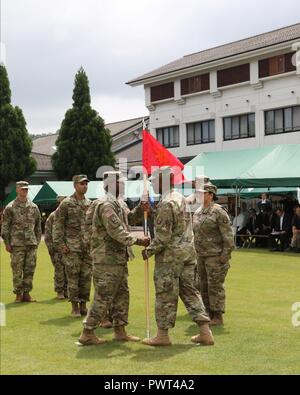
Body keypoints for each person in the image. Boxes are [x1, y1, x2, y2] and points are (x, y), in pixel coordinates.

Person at [141, 166, 214, 347]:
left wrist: (149, 250)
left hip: (170, 258)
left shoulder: (167, 202)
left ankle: (162, 336)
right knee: (191, 292)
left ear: (162, 181)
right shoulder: (180, 198)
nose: (151, 185)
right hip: (187, 254)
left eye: (154, 181)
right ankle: (205, 332)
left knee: (165, 295)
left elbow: (163, 236)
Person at [78, 171, 150, 346]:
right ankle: (87, 332)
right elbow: (115, 230)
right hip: (106, 259)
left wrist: (141, 209)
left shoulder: (119, 203)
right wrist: (138, 240)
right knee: (103, 295)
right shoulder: (106, 204)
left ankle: (120, 331)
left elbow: (129, 219)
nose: (124, 185)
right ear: (112, 184)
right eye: (121, 183)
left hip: (118, 257)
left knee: (122, 295)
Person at [193, 182, 235, 326]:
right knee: (202, 285)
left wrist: (225, 256)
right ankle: (208, 313)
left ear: (210, 195)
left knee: (215, 286)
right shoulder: (198, 212)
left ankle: (217, 316)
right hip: (201, 256)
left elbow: (228, 237)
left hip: (215, 256)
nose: (198, 195)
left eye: (202, 193)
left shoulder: (218, 211)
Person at [53, 175, 92, 317]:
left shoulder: (90, 203)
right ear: (75, 185)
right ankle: (74, 307)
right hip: (71, 247)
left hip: (87, 248)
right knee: (73, 277)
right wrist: (60, 244)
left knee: (86, 277)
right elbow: (58, 225)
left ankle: (83, 305)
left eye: (86, 184)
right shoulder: (66, 203)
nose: (85, 186)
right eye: (82, 184)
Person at [1, 181, 41, 302]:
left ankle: (27, 293)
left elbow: (38, 226)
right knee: (17, 269)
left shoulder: (34, 207)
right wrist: (7, 243)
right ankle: (18, 294)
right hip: (16, 244)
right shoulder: (10, 207)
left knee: (30, 269)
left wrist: (37, 242)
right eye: (22, 189)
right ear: (17, 190)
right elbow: (5, 227)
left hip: (31, 244)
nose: (25, 191)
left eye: (26, 189)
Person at [44, 196, 67, 299]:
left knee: (70, 270)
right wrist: (51, 249)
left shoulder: (71, 215)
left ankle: (68, 291)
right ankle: (60, 291)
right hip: (57, 249)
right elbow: (48, 234)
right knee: (59, 270)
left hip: (71, 248)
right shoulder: (53, 216)